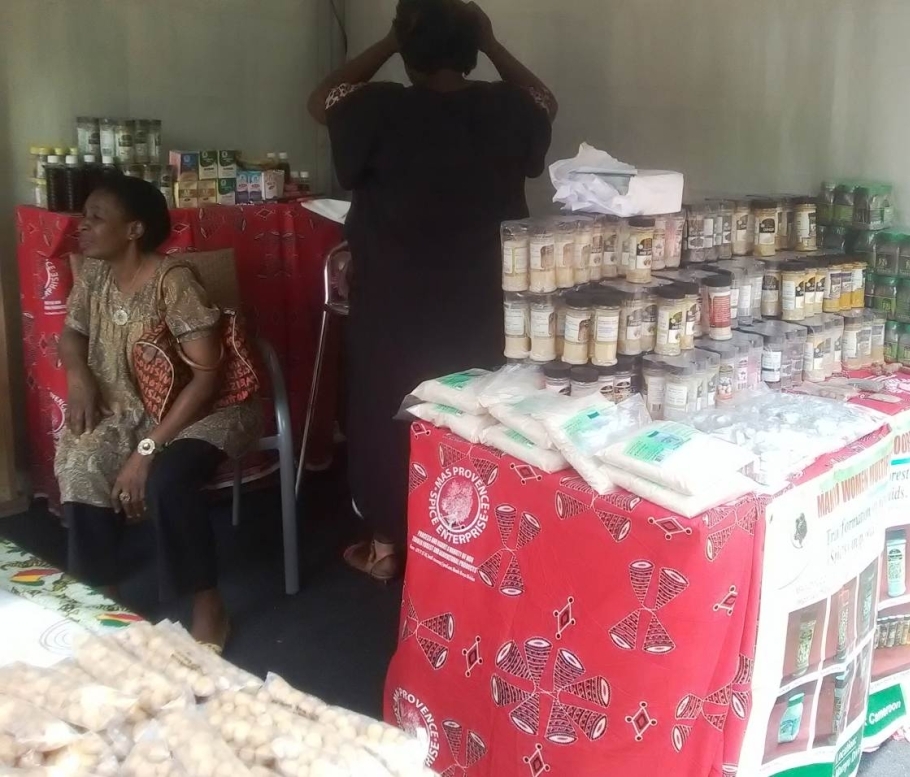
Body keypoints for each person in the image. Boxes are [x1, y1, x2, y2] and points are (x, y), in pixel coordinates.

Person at [307, 0, 556, 581]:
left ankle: (389, 542)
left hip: (394, 300)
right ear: (472, 50)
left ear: (407, 48)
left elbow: (321, 100)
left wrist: (389, 43)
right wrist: (492, 44)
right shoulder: (507, 107)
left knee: (384, 412)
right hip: (480, 297)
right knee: (477, 410)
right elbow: (547, 100)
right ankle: (466, 535)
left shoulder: (376, 106)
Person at [55, 174, 263, 650]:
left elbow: (208, 378)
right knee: (80, 461)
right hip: (127, 407)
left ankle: (207, 603)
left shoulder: (174, 283)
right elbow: (72, 333)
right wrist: (79, 376)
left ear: (133, 230)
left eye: (95, 218)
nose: (81, 227)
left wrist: (146, 450)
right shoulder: (93, 274)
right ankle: (104, 598)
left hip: (204, 410)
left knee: (168, 477)